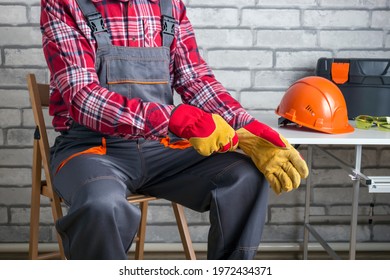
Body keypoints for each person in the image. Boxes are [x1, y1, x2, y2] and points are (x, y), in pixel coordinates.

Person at [40, 0, 309, 260]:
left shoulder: (168, 4)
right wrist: (175, 119)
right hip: (93, 151)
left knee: (247, 176)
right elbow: (83, 98)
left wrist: (245, 126)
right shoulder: (66, 3)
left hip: (162, 148)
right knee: (100, 205)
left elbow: (195, 79)